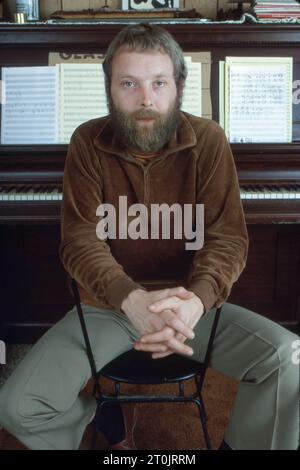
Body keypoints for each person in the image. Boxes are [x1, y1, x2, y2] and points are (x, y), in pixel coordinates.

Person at [0, 23, 298, 451]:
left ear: (178, 86)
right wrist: (132, 299)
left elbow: (228, 238)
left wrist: (195, 300)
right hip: (110, 306)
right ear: (109, 88)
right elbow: (80, 240)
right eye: (129, 83)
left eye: (159, 83)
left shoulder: (209, 141)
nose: (145, 99)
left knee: (289, 360)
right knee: (17, 405)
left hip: (193, 307)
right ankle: (97, 418)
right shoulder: (86, 141)